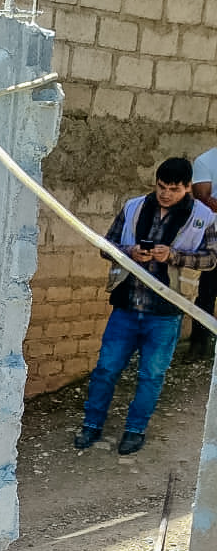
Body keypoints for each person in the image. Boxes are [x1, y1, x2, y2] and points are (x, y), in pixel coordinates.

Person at [75, 157, 217, 456]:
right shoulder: (134, 207)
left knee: (151, 376)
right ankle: (91, 424)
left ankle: (135, 430)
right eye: (161, 186)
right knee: (105, 369)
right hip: (127, 306)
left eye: (174, 189)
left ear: (188, 187)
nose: (165, 194)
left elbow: (211, 259)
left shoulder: (203, 216)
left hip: (166, 311)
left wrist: (174, 256)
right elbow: (106, 246)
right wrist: (130, 252)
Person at [187, 146, 217, 361]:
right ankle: (198, 345)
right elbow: (203, 198)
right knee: (207, 293)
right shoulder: (205, 161)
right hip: (215, 238)